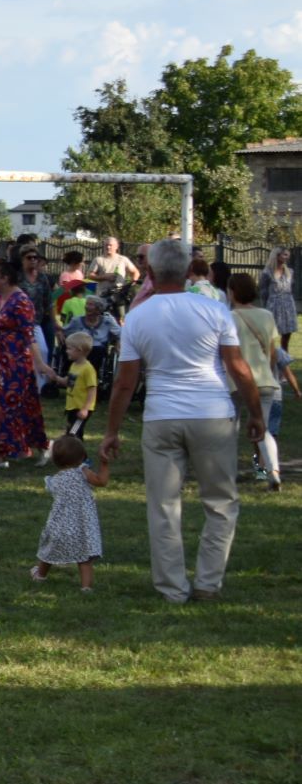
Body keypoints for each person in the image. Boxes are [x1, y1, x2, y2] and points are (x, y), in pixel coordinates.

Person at [101, 237, 264, 603]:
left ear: (151, 271)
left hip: (161, 416)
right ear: (190, 270)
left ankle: (172, 588)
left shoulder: (139, 316)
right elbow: (237, 368)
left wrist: (111, 431)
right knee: (221, 502)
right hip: (212, 413)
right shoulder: (214, 310)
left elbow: (126, 383)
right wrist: (256, 413)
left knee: (163, 506)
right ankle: (208, 583)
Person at [0, 260, 50, 470]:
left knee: (9, 407)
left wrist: (39, 364)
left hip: (16, 364)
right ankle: (38, 447)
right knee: (19, 408)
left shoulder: (21, 302)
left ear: (5, 278)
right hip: (1, 362)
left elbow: (29, 336)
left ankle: (4, 456)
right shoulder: (2, 299)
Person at [31, 435, 109, 592]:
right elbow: (101, 481)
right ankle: (86, 587)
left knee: (48, 553)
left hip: (59, 525)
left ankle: (40, 575)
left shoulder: (54, 480)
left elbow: (52, 490)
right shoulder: (83, 472)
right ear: (82, 457)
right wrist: (105, 464)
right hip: (82, 526)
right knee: (84, 558)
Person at [227, 272, 283, 488]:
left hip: (237, 382)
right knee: (263, 429)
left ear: (232, 292)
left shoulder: (229, 318)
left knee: (230, 430)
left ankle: (229, 473)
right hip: (265, 380)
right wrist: (266, 372)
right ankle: (273, 472)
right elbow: (272, 352)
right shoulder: (266, 315)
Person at [58, 328, 99, 437]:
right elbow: (68, 381)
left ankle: (79, 454)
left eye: (69, 349)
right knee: (71, 432)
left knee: (74, 433)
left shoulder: (88, 369)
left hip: (81, 408)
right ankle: (74, 453)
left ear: (79, 350)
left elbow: (92, 391)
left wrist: (85, 409)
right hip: (72, 407)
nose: (67, 351)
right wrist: (54, 377)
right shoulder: (74, 365)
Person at [259, 249, 295, 349]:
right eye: (285, 255)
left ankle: (284, 356)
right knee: (270, 333)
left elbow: (291, 287)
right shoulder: (267, 272)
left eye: (288, 255)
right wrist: (265, 307)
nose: (287, 257)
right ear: (277, 255)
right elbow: (263, 291)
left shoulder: (290, 272)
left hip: (288, 305)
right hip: (273, 305)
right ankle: (270, 355)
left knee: (287, 334)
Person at [89, 237, 140, 303]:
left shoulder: (123, 259)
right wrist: (105, 277)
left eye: (110, 245)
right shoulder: (98, 259)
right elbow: (90, 275)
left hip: (119, 295)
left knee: (121, 313)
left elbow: (136, 272)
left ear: (116, 246)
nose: (108, 247)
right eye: (106, 245)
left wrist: (131, 285)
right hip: (102, 295)